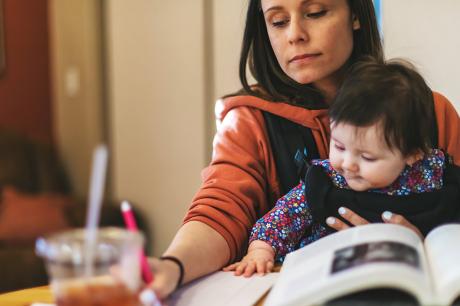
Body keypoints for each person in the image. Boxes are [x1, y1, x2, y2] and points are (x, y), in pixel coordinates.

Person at [148, 0, 460, 299]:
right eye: (278, 21)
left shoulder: (429, 112)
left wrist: (420, 243)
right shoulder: (250, 120)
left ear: (355, 14)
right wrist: (172, 266)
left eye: (315, 12)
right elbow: (220, 210)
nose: (294, 34)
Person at [223, 59, 455, 276]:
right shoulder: (327, 180)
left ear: (413, 155)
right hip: (326, 274)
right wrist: (261, 250)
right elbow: (286, 214)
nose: (348, 164)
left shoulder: (433, 175)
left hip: (403, 273)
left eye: (367, 157)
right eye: (340, 147)